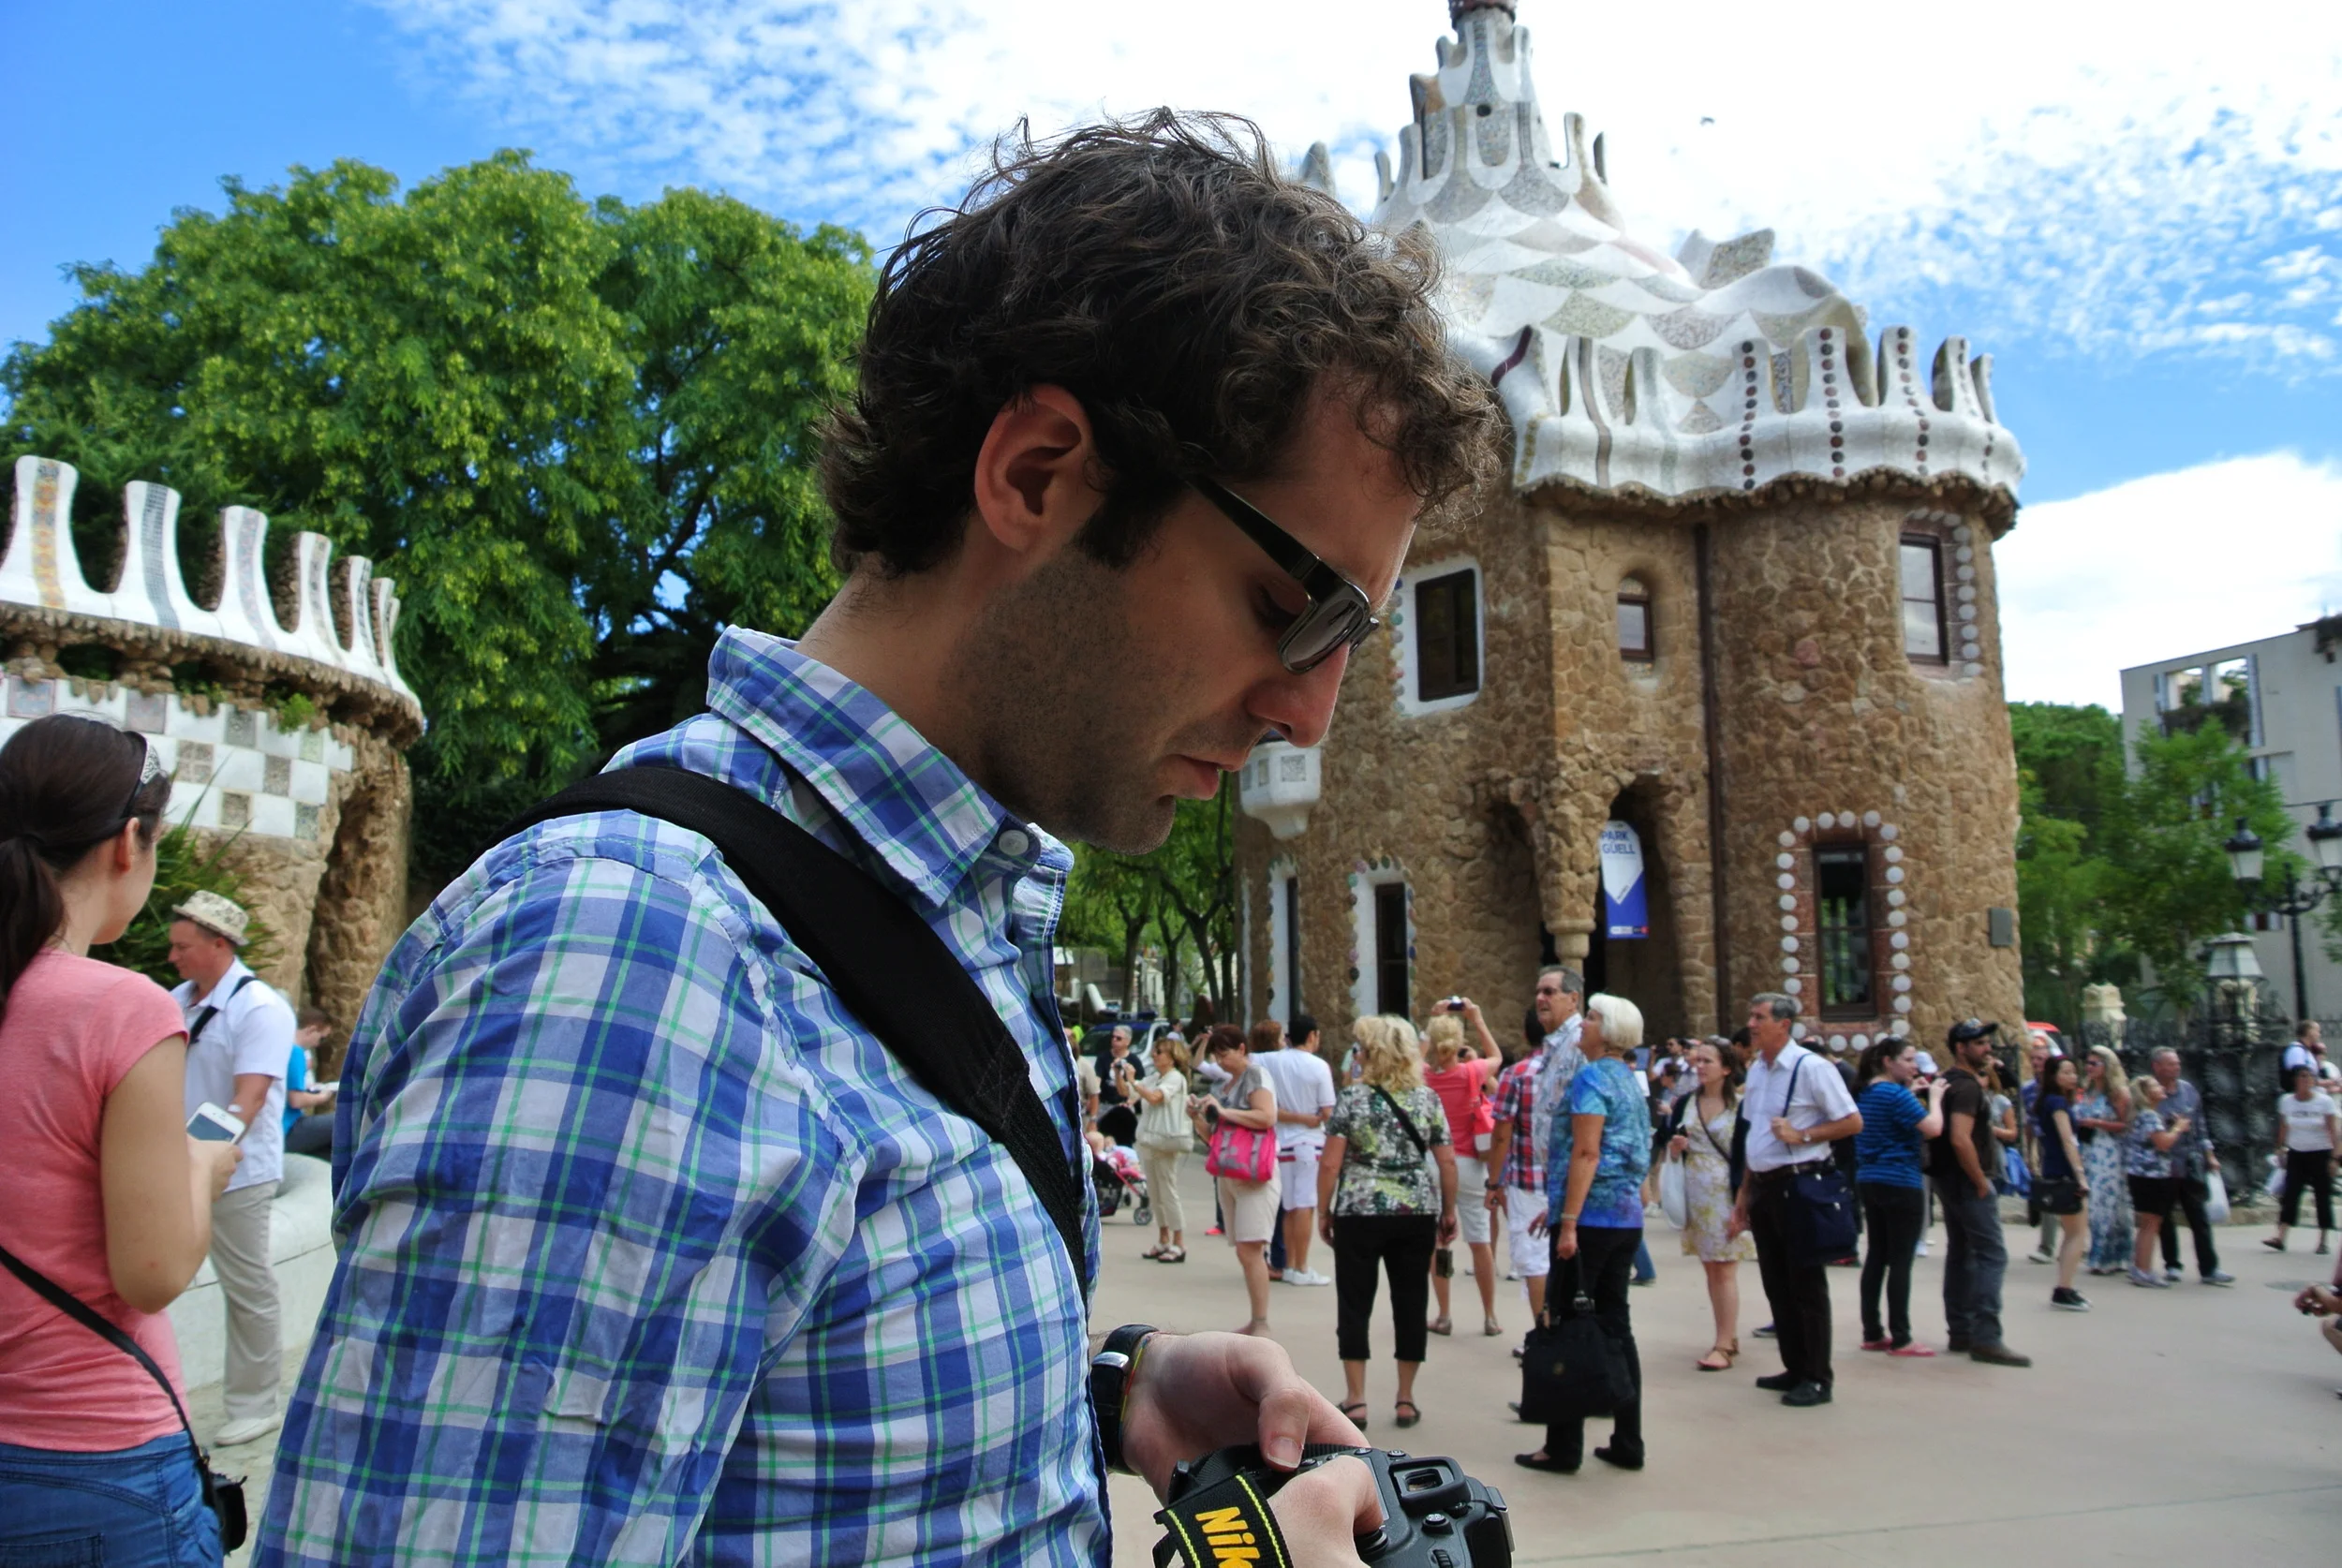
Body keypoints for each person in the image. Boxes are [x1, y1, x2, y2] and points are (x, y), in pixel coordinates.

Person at [261, 112, 1496, 1566]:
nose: (1310, 710)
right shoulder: (631, 969)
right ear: (1038, 474)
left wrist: (1106, 1394)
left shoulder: (939, 910)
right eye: (1299, 605)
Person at [0, 715, 244, 1565]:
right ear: (127, 843)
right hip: (92, 1458)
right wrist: (201, 1166)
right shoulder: (121, 1007)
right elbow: (153, 1271)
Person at [167, 890, 294, 1448]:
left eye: (183, 947)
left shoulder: (260, 1007)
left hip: (238, 1171)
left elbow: (250, 1098)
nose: (173, 957)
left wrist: (202, 1155)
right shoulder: (179, 999)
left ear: (219, 944)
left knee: (247, 1285)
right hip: (182, 1164)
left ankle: (255, 1403)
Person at [1516, 992, 1651, 1473]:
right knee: (1616, 1323)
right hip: (1623, 1216)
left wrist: (1568, 1218)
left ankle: (1562, 1444)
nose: (1585, 1025)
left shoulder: (1591, 1077)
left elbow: (1587, 1152)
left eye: (1591, 1018)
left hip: (1590, 1218)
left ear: (1608, 1029)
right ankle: (1628, 1437)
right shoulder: (1630, 1079)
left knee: (1567, 1323)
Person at [1317, 1014, 1457, 1431]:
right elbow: (1446, 1161)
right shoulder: (1427, 1100)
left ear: (1372, 1054)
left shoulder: (1353, 1099)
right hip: (1415, 1212)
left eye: (1360, 1049)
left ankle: (1356, 1399)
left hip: (1359, 1211)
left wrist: (1324, 1209)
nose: (1356, 1055)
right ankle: (1405, 1398)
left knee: (1355, 1301)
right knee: (1411, 1301)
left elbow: (1330, 1163)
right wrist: (1448, 1211)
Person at [1727, 994, 1862, 1407]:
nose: (1751, 1023)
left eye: (1759, 1017)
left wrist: (1803, 1135)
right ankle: (1794, 1365)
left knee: (1805, 1283)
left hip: (1800, 1183)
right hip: (1766, 1185)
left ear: (1784, 1025)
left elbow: (1851, 1121)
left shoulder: (1811, 1068)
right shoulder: (1759, 1070)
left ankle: (1818, 1376)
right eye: (1752, 1016)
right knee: (1776, 1281)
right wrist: (1744, 1196)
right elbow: (1755, 1137)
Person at [1926, 1019, 2030, 1366]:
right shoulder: (1967, 1087)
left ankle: (1961, 1331)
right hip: (1964, 1180)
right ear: (1961, 1047)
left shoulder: (1948, 1081)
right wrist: (1980, 1180)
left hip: (1946, 1178)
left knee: (1962, 1251)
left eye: (1987, 1042)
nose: (1987, 1049)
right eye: (1980, 1043)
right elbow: (1959, 1137)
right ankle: (1986, 1337)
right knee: (1992, 1254)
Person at [1487, 978, 1579, 1327]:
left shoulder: (1517, 1075)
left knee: (1534, 1260)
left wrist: (1493, 1184)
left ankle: (1545, 1330)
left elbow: (1501, 1136)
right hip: (1568, 1179)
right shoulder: (1576, 1060)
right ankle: (1567, 1328)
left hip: (1527, 1180)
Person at [1663, 1038, 1756, 1369]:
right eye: (1697, 1061)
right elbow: (1668, 1145)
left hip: (1727, 1195)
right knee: (1711, 1268)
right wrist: (1676, 1148)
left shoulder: (1742, 1106)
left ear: (1727, 1068)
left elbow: (1749, 1158)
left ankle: (1723, 1343)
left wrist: (1742, 1205)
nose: (1699, 1067)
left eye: (1708, 1062)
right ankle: (1726, 1335)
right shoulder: (1685, 1102)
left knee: (1725, 1269)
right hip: (1696, 1194)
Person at [1851, 1037, 1948, 1354]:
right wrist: (1934, 1098)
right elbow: (1932, 1128)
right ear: (1888, 1062)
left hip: (1869, 1177)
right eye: (1907, 1059)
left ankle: (1873, 1330)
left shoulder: (1866, 1093)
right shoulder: (1894, 1094)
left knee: (1877, 1255)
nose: (1914, 1065)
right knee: (1901, 1261)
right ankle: (1902, 1335)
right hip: (1901, 1180)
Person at [1193, 1023, 1282, 1335]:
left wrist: (1224, 1112)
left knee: (1251, 1250)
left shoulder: (1256, 1075)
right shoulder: (1224, 1086)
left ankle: (1261, 1322)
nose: (1220, 1061)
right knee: (1244, 1251)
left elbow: (1266, 1116)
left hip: (1255, 1174)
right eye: (1216, 1056)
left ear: (1242, 1049)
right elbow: (1213, 1138)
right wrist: (1198, 1118)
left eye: (1224, 1054)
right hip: (1230, 1172)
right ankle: (1256, 1319)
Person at [1423, 1004, 1500, 1336]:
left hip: (1433, 1163)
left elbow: (1415, 1055)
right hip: (1469, 1163)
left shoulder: (1423, 1077)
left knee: (1438, 1242)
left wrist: (1431, 1021)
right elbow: (1496, 1055)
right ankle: (1490, 1315)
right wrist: (1478, 1019)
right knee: (1480, 1242)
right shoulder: (1472, 1073)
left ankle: (1443, 1314)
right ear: (1457, 1044)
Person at [1256, 1013, 1337, 1287]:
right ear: (1312, 1035)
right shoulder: (1318, 1066)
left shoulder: (1271, 1059)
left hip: (1282, 1143)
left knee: (1291, 1206)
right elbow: (1328, 1111)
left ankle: (1290, 1264)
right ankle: (1300, 1266)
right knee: (1304, 1206)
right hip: (1308, 1143)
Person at [2150, 1048, 2235, 1285]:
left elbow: (2200, 1127)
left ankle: (2209, 1268)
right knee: (2165, 1218)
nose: (2176, 1068)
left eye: (2177, 1063)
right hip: (2164, 1164)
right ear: (2157, 1067)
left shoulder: (2188, 1091)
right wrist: (2171, 1125)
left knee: (2198, 1217)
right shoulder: (2150, 1094)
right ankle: (2172, 1264)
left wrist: (2210, 1155)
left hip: (2189, 1162)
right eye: (2170, 1064)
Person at [2032, 1055, 2092, 1311]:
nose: (2072, 1076)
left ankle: (2065, 1284)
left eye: (2073, 1072)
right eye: (2066, 1072)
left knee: (2071, 1232)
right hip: (2065, 1171)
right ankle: (2063, 1288)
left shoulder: (2049, 1101)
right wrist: (2080, 1175)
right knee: (2076, 1233)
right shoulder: (2057, 1103)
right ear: (2054, 1076)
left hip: (2055, 1168)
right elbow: (2068, 1140)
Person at [1131, 1033, 1193, 1263]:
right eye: (1155, 1052)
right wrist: (1125, 1078)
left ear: (1172, 1057)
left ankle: (1179, 1242)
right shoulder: (1155, 1076)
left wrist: (1134, 1082)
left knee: (1168, 1191)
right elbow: (1129, 1093)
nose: (1155, 1056)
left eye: (1159, 1052)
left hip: (1166, 1140)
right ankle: (1163, 1238)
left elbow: (1156, 1098)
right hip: (1150, 1140)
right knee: (1155, 1193)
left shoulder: (1175, 1078)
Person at [2265, 1063, 2338, 1254]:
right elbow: (2283, 1127)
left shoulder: (2324, 1102)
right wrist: (2280, 1149)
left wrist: (2334, 1158)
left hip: (2320, 1152)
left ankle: (2323, 1240)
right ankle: (2280, 1236)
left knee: (2322, 1196)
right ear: (2295, 1080)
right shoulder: (2287, 1101)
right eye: (2302, 1077)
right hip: (2297, 1152)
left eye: (2309, 1077)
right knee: (2290, 1194)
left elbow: (2333, 1131)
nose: (2306, 1081)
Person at [2074, 1045, 2134, 1276]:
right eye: (2087, 1063)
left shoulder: (2117, 1092)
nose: (2089, 1068)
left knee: (2106, 1204)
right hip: (2089, 1150)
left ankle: (2111, 1256)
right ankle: (2101, 1254)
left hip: (2109, 1151)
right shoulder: (2088, 1090)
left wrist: (2097, 1123)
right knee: (2094, 1204)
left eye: (2094, 1064)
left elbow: (2126, 1125)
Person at [2126, 1073, 2191, 1289]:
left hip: (2139, 1174)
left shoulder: (2140, 1115)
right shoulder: (2150, 1116)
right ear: (2145, 1094)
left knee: (2147, 1223)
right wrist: (2178, 1128)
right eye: (2154, 1085)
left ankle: (2139, 1267)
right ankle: (2143, 1270)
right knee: (2152, 1224)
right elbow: (2163, 1143)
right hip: (2152, 1175)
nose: (2160, 1087)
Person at [282, 1007, 337, 1161]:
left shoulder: (282, 1047)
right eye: (321, 1038)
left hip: (282, 1129)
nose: (318, 1044)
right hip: (288, 1128)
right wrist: (323, 1097)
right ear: (311, 1030)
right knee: (346, 1120)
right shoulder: (296, 1052)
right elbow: (296, 1100)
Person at [1093, 1024, 1140, 1146]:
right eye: (1113, 1037)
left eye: (1118, 1038)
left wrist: (1131, 1102)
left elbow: (1140, 1087)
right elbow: (1097, 1081)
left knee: (1125, 1141)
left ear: (1127, 1041)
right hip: (1105, 1105)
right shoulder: (1103, 1058)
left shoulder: (1134, 1060)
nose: (1114, 1040)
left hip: (1124, 1106)